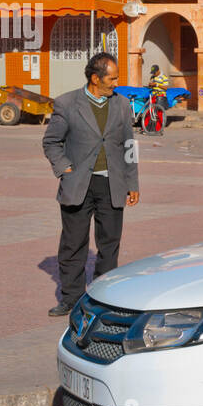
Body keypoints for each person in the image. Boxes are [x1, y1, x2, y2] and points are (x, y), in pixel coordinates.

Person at [42, 53, 140, 317]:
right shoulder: (67, 103)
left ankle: (104, 298)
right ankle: (71, 299)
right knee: (73, 244)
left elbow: (130, 146)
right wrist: (64, 168)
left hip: (112, 185)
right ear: (95, 78)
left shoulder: (121, 105)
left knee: (109, 245)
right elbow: (51, 142)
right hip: (78, 184)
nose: (116, 82)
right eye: (112, 78)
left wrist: (133, 182)